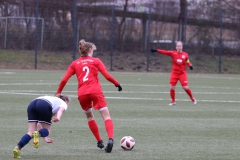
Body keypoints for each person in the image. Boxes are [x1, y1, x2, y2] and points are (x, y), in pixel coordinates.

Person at [55, 39, 122, 153]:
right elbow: (107, 75)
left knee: (90, 117)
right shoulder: (95, 61)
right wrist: (117, 84)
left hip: (82, 94)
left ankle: (99, 141)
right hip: (95, 91)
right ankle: (110, 139)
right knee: (106, 116)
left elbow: (64, 79)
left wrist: (58, 92)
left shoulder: (75, 63)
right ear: (90, 50)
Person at [151, 41, 197, 106]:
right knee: (172, 87)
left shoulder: (185, 54)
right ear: (176, 47)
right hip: (174, 73)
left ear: (182, 47)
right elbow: (165, 52)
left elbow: (187, 60)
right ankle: (173, 101)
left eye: (180, 46)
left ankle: (192, 98)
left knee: (185, 87)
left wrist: (190, 65)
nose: (179, 47)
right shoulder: (173, 53)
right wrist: (156, 50)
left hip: (182, 73)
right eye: (178, 46)